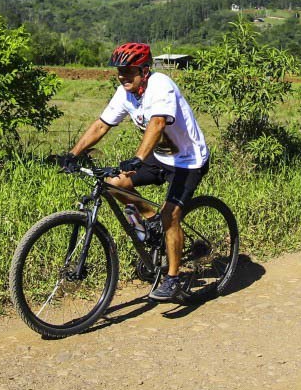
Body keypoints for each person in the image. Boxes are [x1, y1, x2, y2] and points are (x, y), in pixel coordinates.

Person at [61, 42, 210, 301]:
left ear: (144, 70)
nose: (122, 76)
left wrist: (138, 158)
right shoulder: (125, 93)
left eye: (129, 71)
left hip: (188, 161)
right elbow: (101, 125)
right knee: (113, 182)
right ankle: (151, 220)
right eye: (120, 71)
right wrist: (73, 153)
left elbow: (158, 123)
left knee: (171, 216)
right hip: (160, 157)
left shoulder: (160, 85)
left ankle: (173, 278)